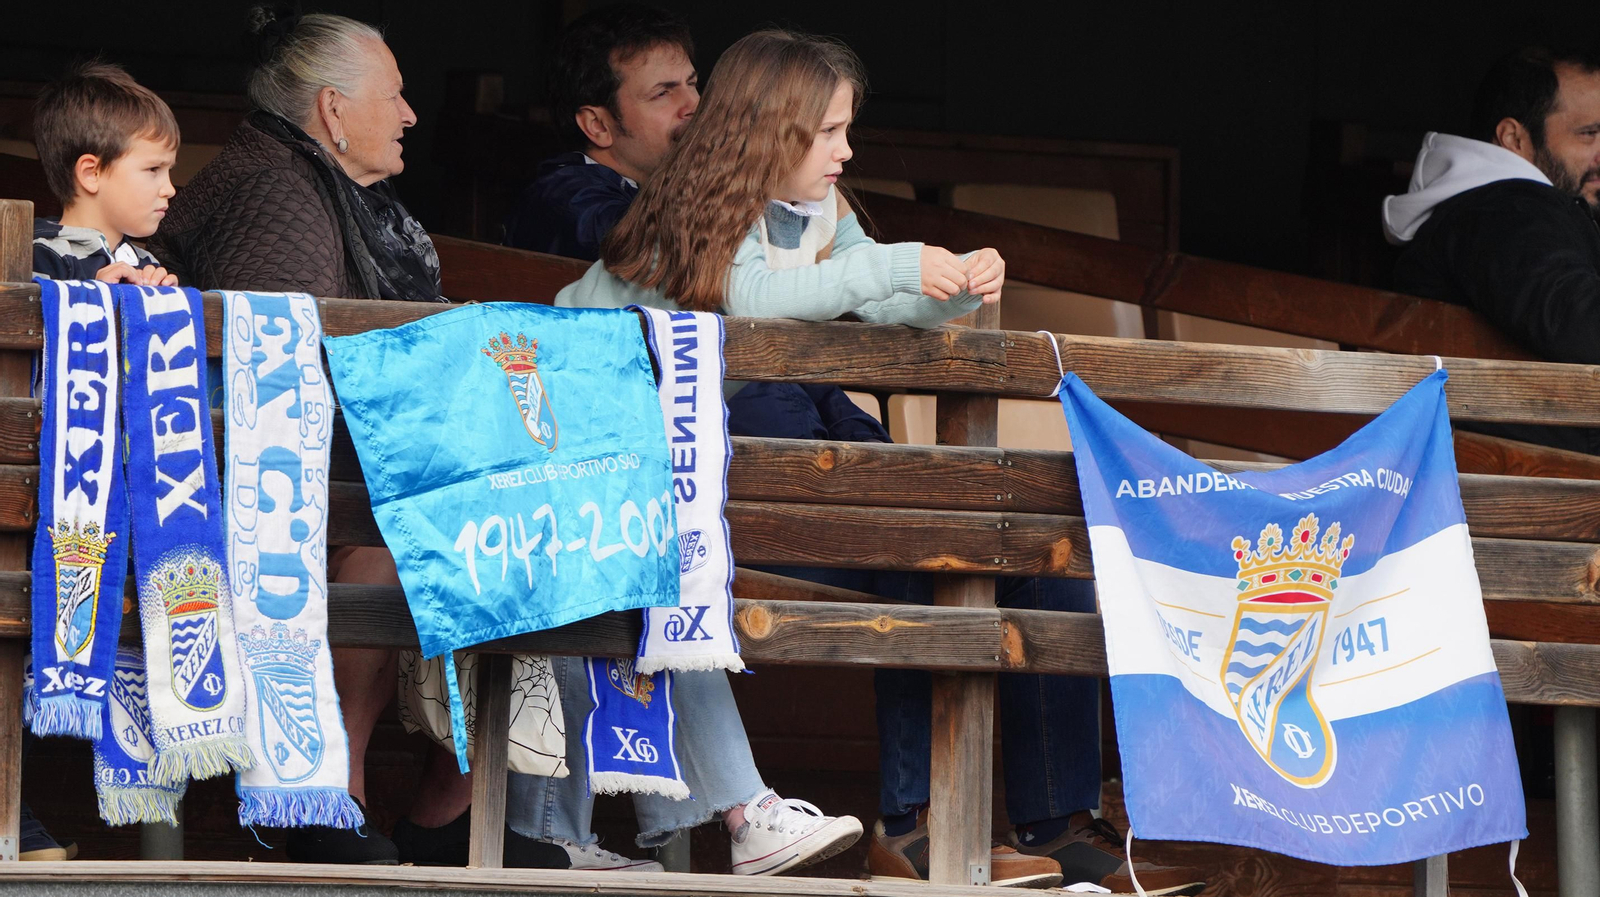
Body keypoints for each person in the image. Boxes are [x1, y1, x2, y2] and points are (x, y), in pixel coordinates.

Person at [150, 8, 550, 868]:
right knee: (386, 539)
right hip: (251, 484)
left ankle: (446, 811)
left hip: (352, 462)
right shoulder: (274, 189)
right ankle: (326, 792)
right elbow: (277, 372)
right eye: (396, 95)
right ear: (333, 111)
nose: (411, 115)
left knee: (535, 500)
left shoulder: (319, 182)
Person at [1384, 45, 1600, 454]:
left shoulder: (1495, 207)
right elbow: (1576, 320)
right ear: (1514, 138)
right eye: (1588, 134)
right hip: (1538, 481)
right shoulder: (1506, 211)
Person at [30, 61, 179, 286]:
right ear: (92, 173)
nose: (170, 189)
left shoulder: (148, 264)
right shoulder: (38, 257)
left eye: (169, 170)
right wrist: (95, 295)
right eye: (153, 169)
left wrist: (167, 304)